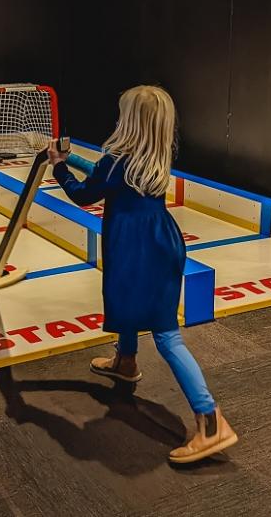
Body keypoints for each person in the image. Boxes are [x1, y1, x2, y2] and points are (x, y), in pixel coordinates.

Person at [47, 85, 238, 464]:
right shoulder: (152, 156)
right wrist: (77, 160)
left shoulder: (117, 162)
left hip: (135, 248)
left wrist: (58, 166)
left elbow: (86, 194)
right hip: (160, 242)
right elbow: (105, 176)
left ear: (130, 122)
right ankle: (127, 361)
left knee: (167, 336)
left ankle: (212, 421)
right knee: (129, 302)